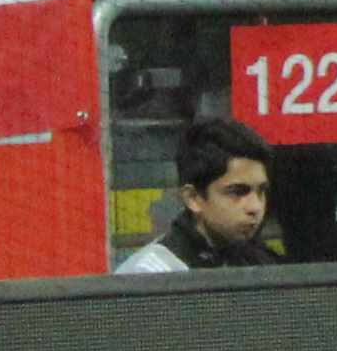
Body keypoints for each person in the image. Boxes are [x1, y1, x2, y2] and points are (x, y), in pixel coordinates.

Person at [116, 113, 280, 275]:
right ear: (193, 198)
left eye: (261, 191)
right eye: (237, 192)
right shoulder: (149, 275)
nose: (255, 207)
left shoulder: (261, 262)